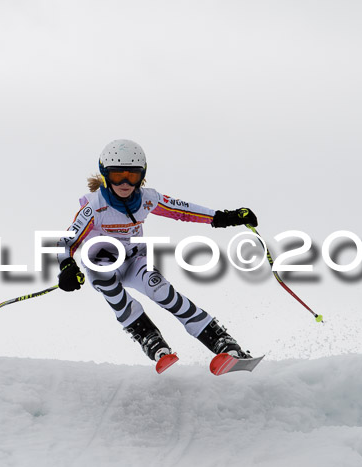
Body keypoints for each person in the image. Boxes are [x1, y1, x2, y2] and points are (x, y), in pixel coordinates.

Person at [56, 139, 258, 369]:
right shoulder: (95, 206)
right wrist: (67, 267)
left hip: (133, 260)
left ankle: (220, 340)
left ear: (142, 176)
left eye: (132, 176)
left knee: (160, 289)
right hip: (103, 264)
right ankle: (148, 336)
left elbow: (183, 210)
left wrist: (223, 217)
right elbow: (66, 242)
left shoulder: (146, 198)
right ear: (105, 175)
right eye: (117, 175)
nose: (124, 183)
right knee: (104, 267)